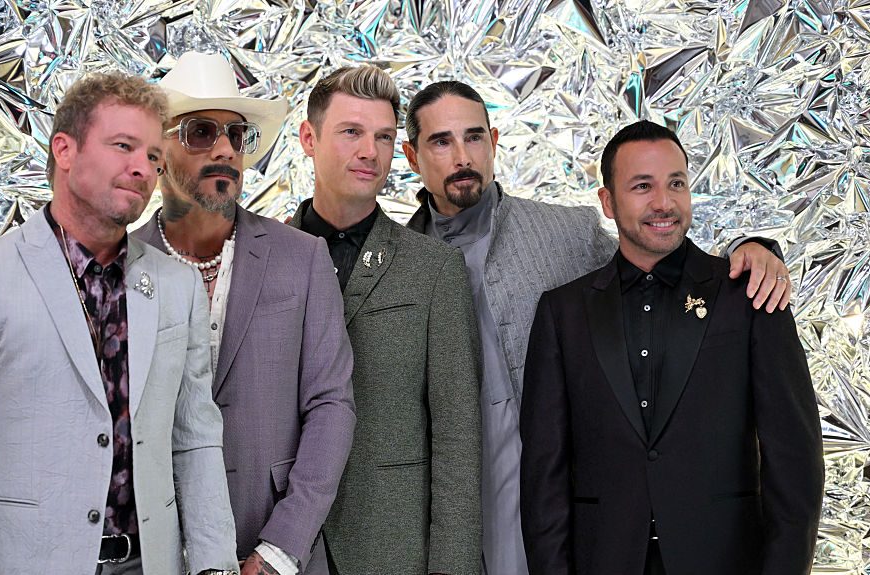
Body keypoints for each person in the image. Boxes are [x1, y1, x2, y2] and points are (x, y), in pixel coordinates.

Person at [402, 81, 795, 575]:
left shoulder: (566, 232)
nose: (462, 155)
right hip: (447, 503)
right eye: (441, 141)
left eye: (474, 136)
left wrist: (753, 247)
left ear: (495, 140)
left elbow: (656, 258)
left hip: (567, 504)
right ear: (412, 155)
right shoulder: (398, 261)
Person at [0, 72, 239, 575]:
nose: (142, 169)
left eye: (152, 156)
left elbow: (194, 438)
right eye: (122, 146)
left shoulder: (178, 285)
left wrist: (215, 566)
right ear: (64, 150)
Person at [520, 120, 823, 574]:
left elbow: (795, 460)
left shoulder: (750, 294)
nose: (664, 203)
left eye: (676, 183)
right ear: (608, 202)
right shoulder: (562, 313)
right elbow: (544, 476)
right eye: (642, 186)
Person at [133, 52, 356, 575]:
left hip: (276, 546)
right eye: (201, 132)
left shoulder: (302, 258)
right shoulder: (121, 269)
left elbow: (331, 405)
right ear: (157, 150)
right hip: (156, 554)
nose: (226, 149)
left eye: (237, 135)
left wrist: (280, 548)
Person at [290, 65, 482, 575]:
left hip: (394, 549)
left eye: (383, 137)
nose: (369, 152)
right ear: (309, 138)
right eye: (351, 132)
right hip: (279, 543)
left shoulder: (434, 269)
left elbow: (457, 438)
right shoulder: (261, 258)